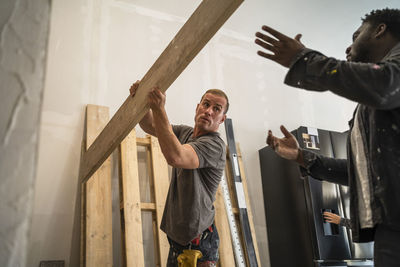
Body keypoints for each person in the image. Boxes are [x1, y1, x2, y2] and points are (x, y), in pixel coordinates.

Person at [254, 8, 400, 266]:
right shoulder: (368, 107)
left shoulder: (388, 82)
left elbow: (383, 85)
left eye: (356, 35)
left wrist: (305, 60)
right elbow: (359, 173)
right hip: (388, 229)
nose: (349, 46)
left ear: (380, 30)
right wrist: (302, 157)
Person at [130, 81, 229, 267]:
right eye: (206, 104)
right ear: (197, 107)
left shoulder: (214, 145)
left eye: (217, 109)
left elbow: (176, 157)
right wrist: (139, 99)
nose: (209, 111)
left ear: (222, 119)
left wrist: (159, 108)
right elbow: (151, 125)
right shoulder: (185, 133)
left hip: (198, 241)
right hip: (178, 239)